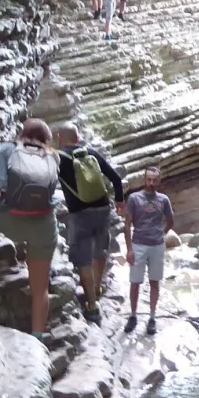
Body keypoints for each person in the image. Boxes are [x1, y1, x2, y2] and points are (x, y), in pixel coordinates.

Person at [0, 118, 59, 340]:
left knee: (15, 228)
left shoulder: (6, 149)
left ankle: (19, 251)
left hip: (10, 222)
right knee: (40, 289)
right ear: (46, 140)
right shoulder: (53, 156)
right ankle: (37, 336)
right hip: (44, 224)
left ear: (22, 134)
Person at [54, 122, 125, 324]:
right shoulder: (91, 153)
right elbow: (116, 179)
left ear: (60, 139)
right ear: (77, 138)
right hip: (103, 209)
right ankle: (96, 287)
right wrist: (119, 201)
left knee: (83, 257)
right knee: (100, 250)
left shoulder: (58, 159)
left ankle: (92, 306)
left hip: (79, 213)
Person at [123, 166, 176, 335]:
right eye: (149, 179)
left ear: (158, 181)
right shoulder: (134, 198)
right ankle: (133, 315)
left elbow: (171, 221)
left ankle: (152, 317)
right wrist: (129, 249)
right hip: (138, 244)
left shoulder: (164, 200)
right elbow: (127, 225)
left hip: (157, 245)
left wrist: (162, 233)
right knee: (135, 282)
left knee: (154, 282)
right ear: (144, 180)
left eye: (154, 180)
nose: (151, 183)